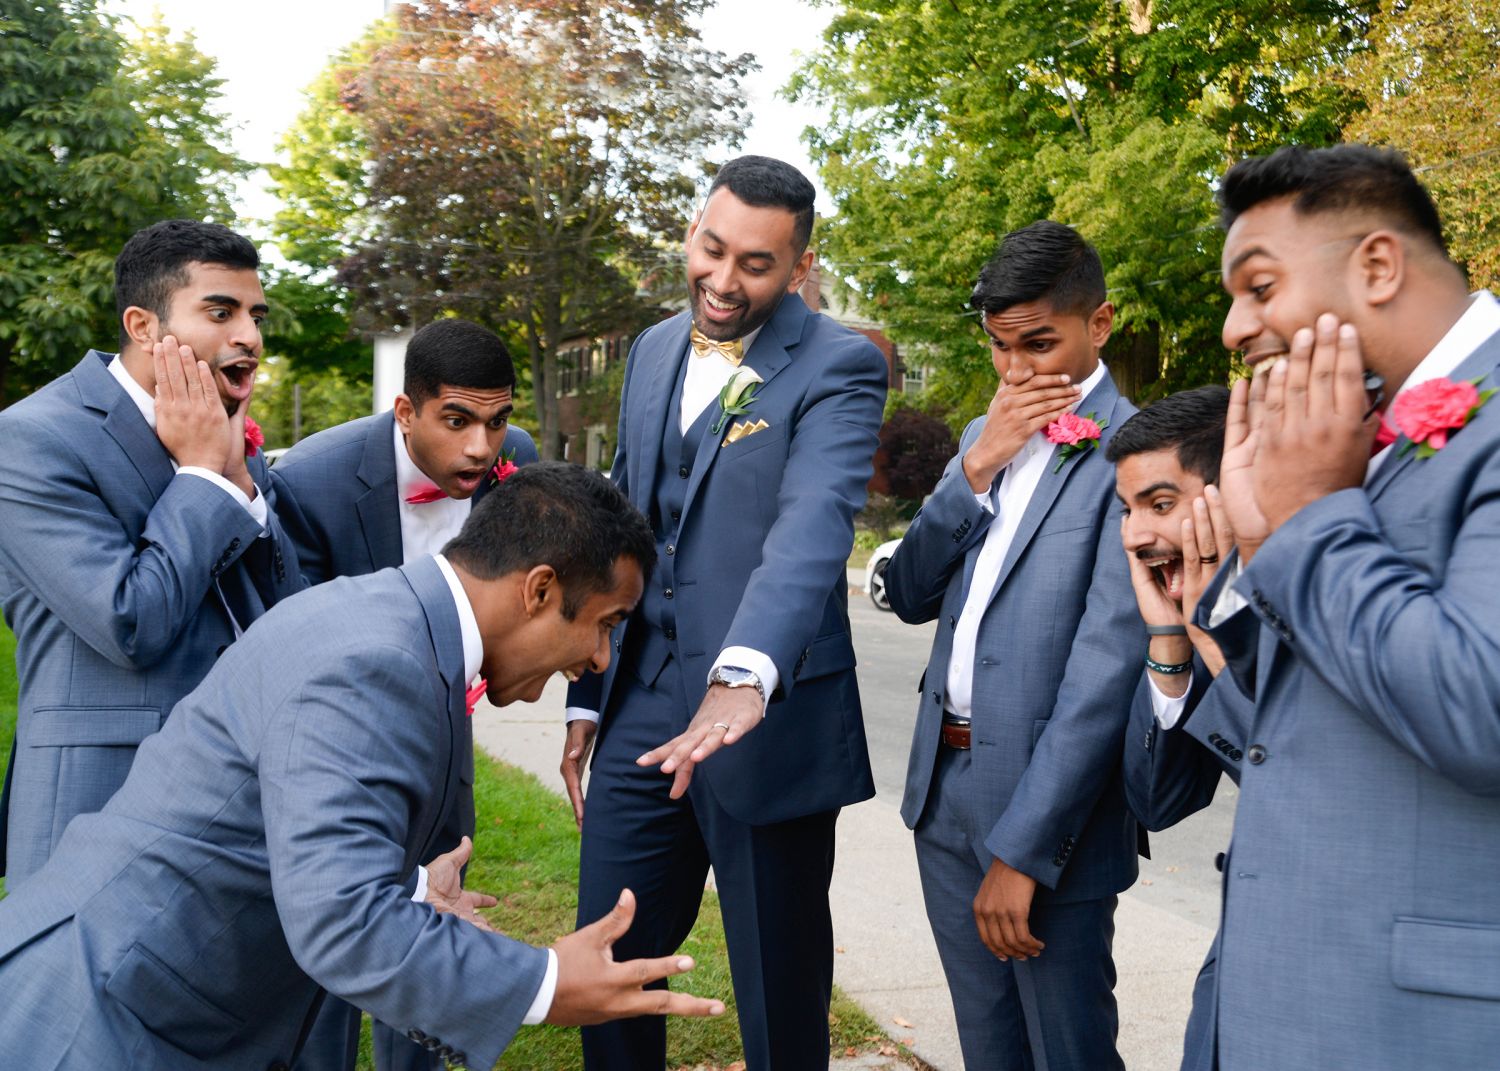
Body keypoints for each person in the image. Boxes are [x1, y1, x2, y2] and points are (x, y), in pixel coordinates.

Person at [0, 463, 728, 1069]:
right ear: (538, 589)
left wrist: (405, 883)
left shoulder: (392, 622)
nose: (599, 659)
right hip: (99, 1017)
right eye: (603, 624)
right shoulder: (379, 661)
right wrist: (543, 981)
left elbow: (275, 822)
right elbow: (341, 920)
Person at [561, 155, 887, 1070]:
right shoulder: (653, 348)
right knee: (611, 967)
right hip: (637, 710)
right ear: (693, 233)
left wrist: (745, 673)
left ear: (799, 268)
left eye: (756, 264)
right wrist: (590, 692)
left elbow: (813, 526)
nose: (724, 279)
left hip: (764, 721)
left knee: (778, 995)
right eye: (713, 249)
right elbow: (625, 519)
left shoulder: (841, 364)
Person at [1196, 143, 1500, 1068]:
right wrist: (1261, 541)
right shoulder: (1352, 428)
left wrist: (1311, 519)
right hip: (1294, 994)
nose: (1234, 329)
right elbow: (1293, 718)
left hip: (1418, 1026)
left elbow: (1481, 707)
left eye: (1259, 286)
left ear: (1376, 264)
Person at [883, 221, 1144, 1071]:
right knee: (988, 1048)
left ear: (1098, 324)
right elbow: (916, 592)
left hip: (1049, 818)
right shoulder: (978, 437)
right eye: (999, 346)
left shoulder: (1135, 456)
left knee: (1067, 1050)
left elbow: (1105, 674)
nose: (1017, 370)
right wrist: (977, 468)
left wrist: (1024, 852)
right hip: (943, 794)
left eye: (1040, 342)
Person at [0, 219, 302, 885]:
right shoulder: (29, 441)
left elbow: (286, 622)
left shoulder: (229, 439)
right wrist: (200, 477)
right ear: (142, 325)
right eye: (220, 312)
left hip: (234, 797)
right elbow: (127, 621)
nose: (248, 337)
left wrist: (243, 485)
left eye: (256, 315)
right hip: (96, 803)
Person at [272, 320, 536, 1069]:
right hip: (331, 749)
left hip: (444, 740)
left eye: (497, 420)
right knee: (327, 946)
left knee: (433, 934)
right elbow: (299, 643)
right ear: (406, 411)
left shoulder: (520, 467)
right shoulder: (315, 480)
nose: (483, 449)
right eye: (457, 420)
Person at [1106, 386, 1249, 1071]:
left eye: (1159, 505)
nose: (1134, 534)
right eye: (1127, 511)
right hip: (1236, 976)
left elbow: (1303, 775)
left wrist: (1212, 634)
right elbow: (1159, 801)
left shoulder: (1315, 596)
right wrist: (1170, 638)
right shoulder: (1195, 609)